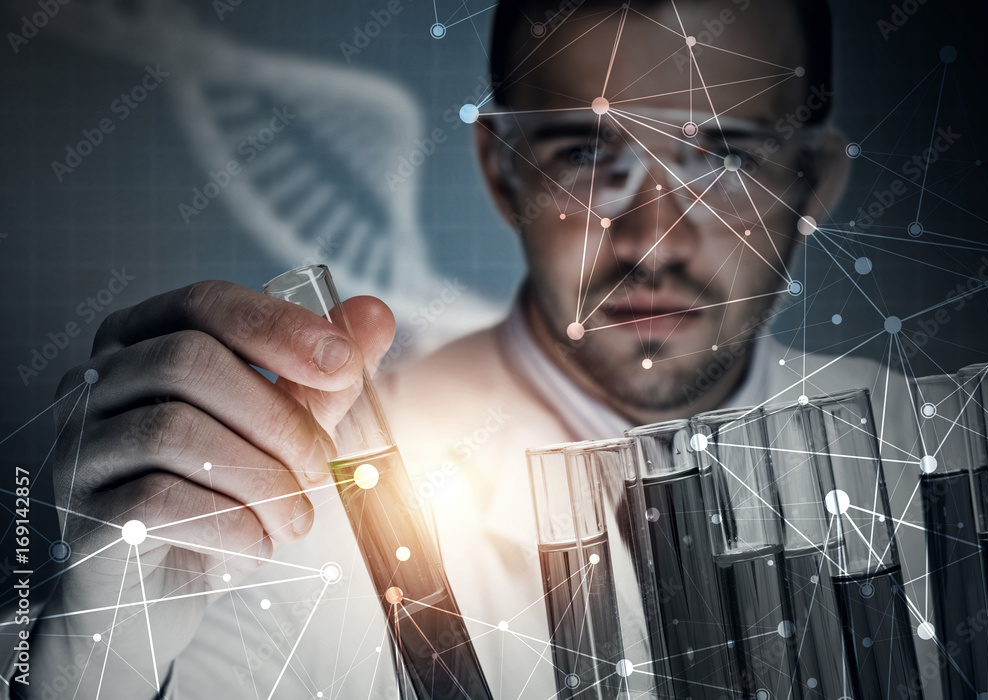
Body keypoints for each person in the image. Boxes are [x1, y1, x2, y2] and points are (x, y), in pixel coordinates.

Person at [9, 0, 932, 698]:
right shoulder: (310, 500)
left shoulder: (936, 451)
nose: (657, 238)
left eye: (725, 159)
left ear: (815, 178)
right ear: (500, 171)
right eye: (587, 155)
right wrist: (98, 636)